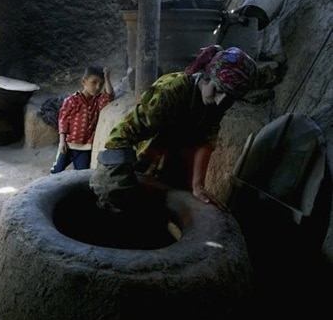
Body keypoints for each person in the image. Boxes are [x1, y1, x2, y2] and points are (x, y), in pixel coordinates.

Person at [89, 45, 257, 213]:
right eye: (218, 90)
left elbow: (206, 140)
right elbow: (122, 134)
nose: (220, 101)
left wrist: (197, 185)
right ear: (206, 76)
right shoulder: (171, 90)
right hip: (143, 163)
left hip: (175, 168)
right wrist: (115, 179)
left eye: (230, 98)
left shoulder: (216, 104)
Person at [50, 65, 114, 174]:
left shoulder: (97, 101)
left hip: (85, 148)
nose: (98, 87)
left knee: (81, 174)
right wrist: (62, 142)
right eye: (93, 82)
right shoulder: (71, 100)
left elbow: (109, 95)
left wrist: (107, 77)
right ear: (83, 81)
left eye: (101, 83)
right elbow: (63, 121)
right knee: (56, 171)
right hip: (68, 145)